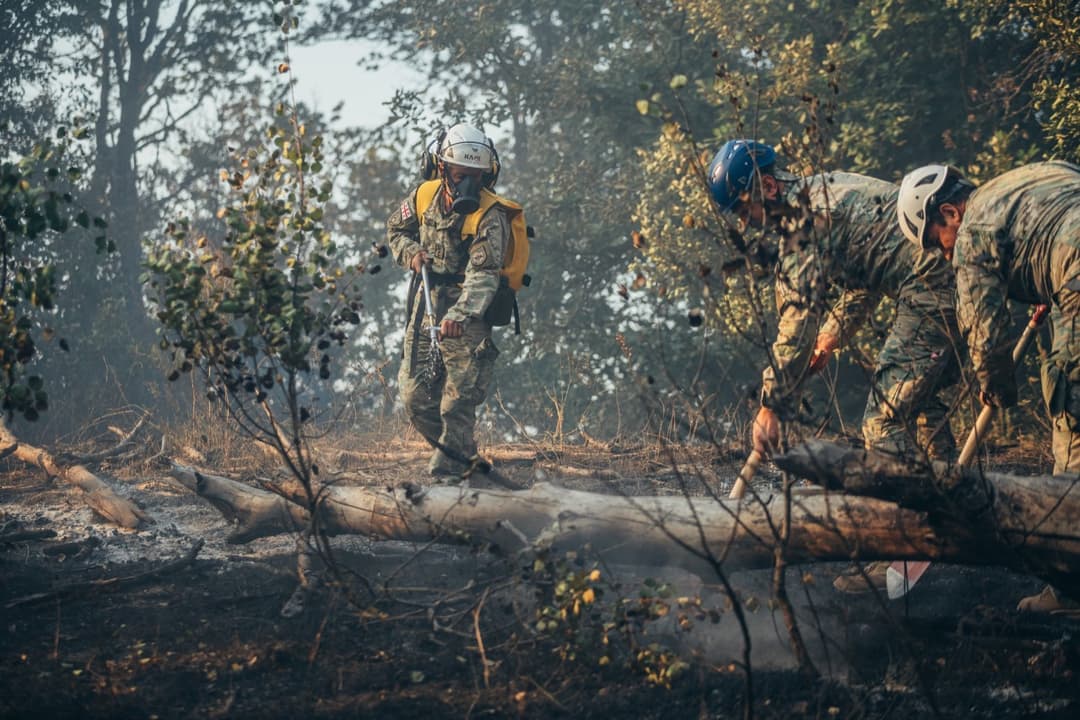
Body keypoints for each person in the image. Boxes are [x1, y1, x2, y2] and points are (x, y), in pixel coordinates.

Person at [708, 140, 963, 592]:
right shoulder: (828, 187)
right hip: (951, 275)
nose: (746, 225)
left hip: (934, 287)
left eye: (745, 211)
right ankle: (952, 527)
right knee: (925, 411)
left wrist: (772, 405)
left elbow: (795, 325)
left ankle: (900, 547)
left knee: (884, 422)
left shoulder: (799, 227)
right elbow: (872, 267)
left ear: (767, 187)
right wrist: (833, 334)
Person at [898, 160, 1080, 614]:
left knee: (1072, 418)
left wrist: (996, 385)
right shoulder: (1027, 178)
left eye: (936, 241)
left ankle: (1072, 588)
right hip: (1069, 279)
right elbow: (1056, 222)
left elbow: (985, 332)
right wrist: (1049, 284)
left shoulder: (973, 231)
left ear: (949, 213)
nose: (944, 255)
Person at [387, 123, 510, 478]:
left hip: (468, 314)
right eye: (461, 176)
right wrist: (411, 252)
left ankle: (448, 481)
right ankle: (469, 466)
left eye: (477, 176)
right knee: (415, 397)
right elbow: (396, 230)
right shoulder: (424, 196)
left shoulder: (491, 213)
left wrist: (460, 315)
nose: (469, 184)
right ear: (441, 168)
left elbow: (484, 276)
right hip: (426, 303)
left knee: (457, 403)